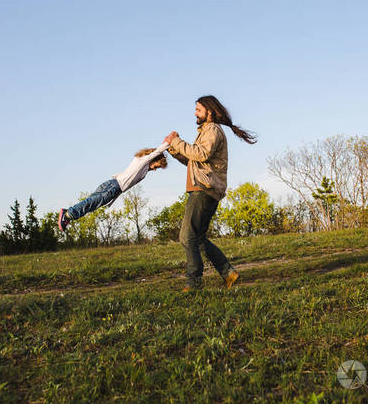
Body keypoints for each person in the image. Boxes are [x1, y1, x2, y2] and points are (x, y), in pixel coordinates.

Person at [165, 95, 257, 291]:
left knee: (186, 236)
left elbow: (201, 154)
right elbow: (193, 160)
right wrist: (173, 148)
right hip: (203, 189)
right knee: (198, 238)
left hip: (203, 190)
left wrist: (177, 141)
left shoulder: (213, 130)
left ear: (210, 112)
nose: (195, 113)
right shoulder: (207, 132)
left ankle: (194, 282)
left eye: (198, 110)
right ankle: (228, 273)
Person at [58, 141, 170, 232]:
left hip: (113, 187)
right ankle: (68, 214)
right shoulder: (143, 161)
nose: (155, 169)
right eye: (157, 166)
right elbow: (157, 152)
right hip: (113, 187)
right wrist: (168, 143)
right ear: (153, 160)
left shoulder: (143, 167)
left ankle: (69, 214)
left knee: (92, 205)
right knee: (92, 203)